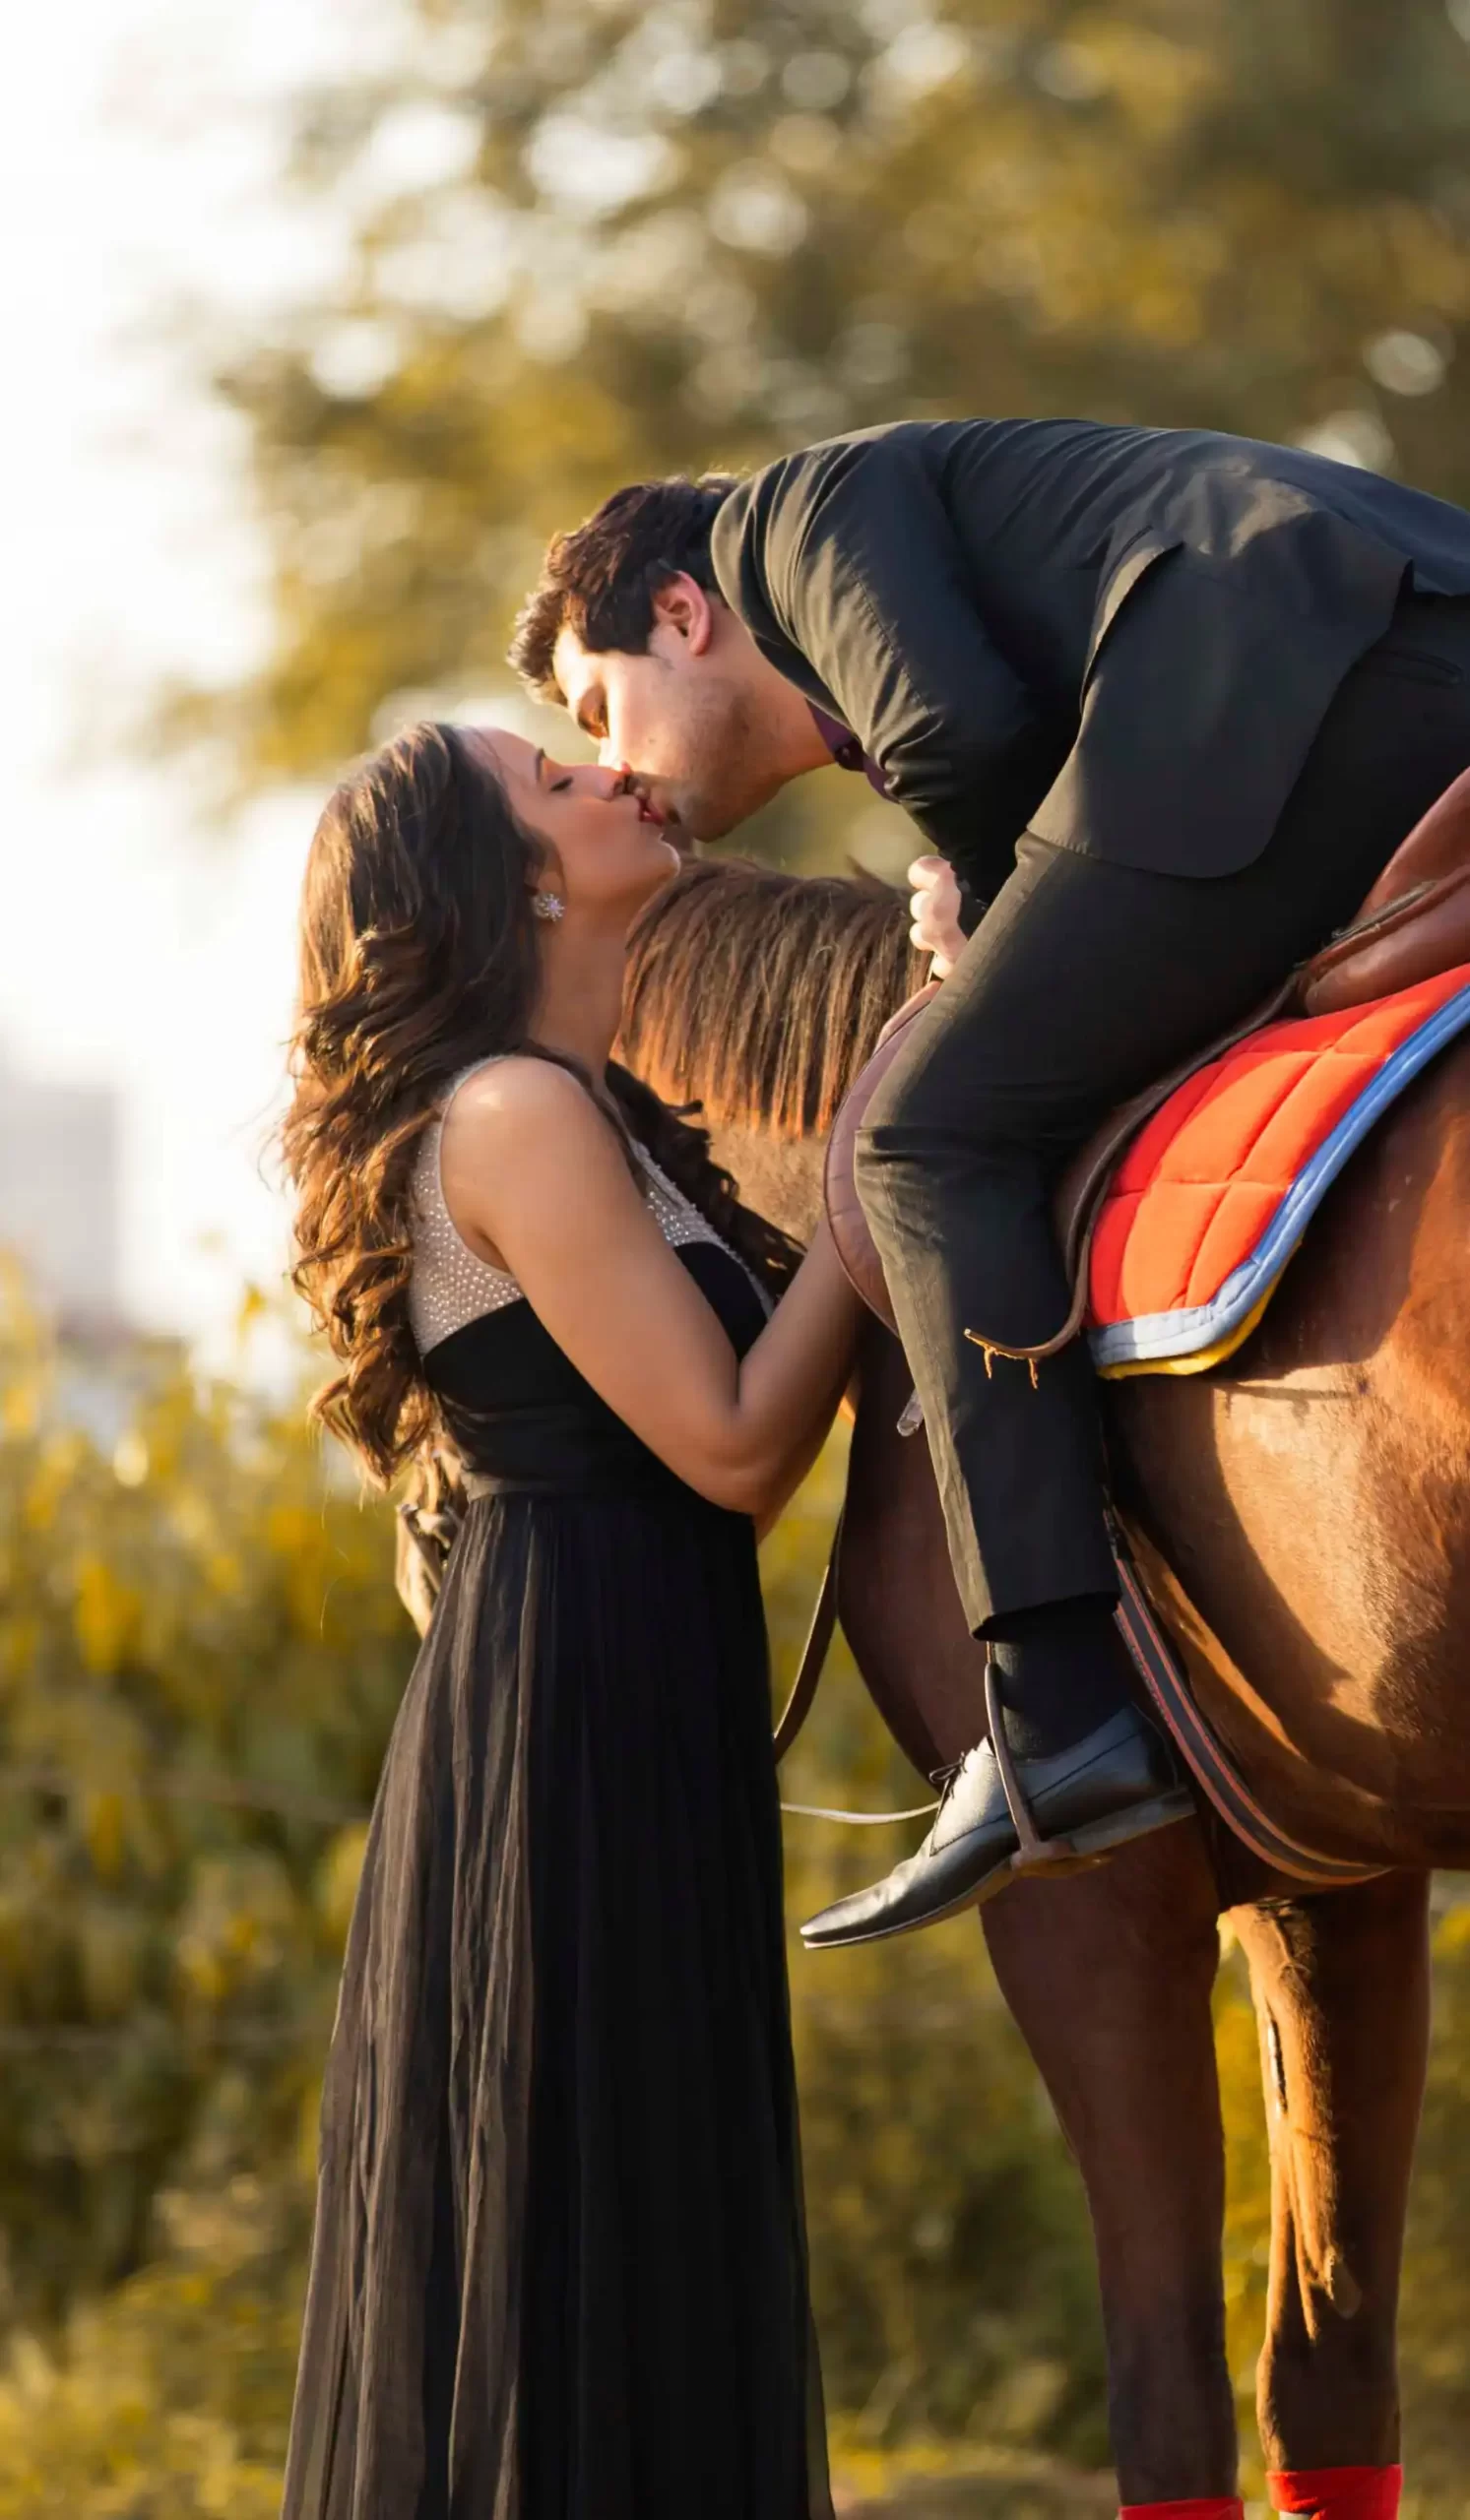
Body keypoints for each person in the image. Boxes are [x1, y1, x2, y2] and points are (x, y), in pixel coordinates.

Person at [509, 417, 1470, 1948]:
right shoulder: (911, 532)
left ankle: (1052, 1704)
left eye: (600, 708)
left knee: (924, 1136)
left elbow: (961, 736)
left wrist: (990, 912)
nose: (615, 768)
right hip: (1403, 661)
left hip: (1275, 697)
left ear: (683, 614)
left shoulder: (792, 516)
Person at [279, 719, 856, 2517]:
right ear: (518, 876)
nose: (612, 776)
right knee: (595, 2211)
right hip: (572, 1707)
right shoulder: (514, 1115)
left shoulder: (587, 1107)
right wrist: (884, 1155)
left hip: (622, 1680)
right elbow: (740, 1444)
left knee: (636, 2204)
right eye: (555, 779)